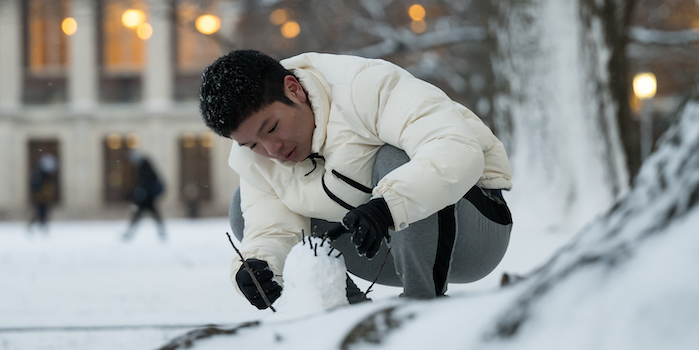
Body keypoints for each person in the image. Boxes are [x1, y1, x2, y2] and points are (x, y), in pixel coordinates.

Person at [199, 50, 514, 309]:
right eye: (252, 144)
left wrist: (388, 206)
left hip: (473, 229)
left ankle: (420, 308)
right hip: (384, 246)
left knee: (394, 157)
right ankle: (348, 315)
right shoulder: (257, 157)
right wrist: (258, 268)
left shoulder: (364, 87)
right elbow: (270, 228)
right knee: (243, 206)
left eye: (271, 129)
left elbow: (456, 151)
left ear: (293, 90)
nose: (272, 149)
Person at [122, 150, 166, 240]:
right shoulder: (145, 164)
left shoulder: (143, 166)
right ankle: (162, 232)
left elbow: (144, 181)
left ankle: (130, 232)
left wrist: (140, 192)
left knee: (139, 213)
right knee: (151, 213)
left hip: (147, 196)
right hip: (148, 196)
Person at [28, 153, 59, 232]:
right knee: (40, 211)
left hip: (44, 197)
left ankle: (42, 224)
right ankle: (37, 225)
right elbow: (35, 185)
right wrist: (37, 194)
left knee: (43, 211)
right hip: (40, 197)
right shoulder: (38, 173)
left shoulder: (45, 174)